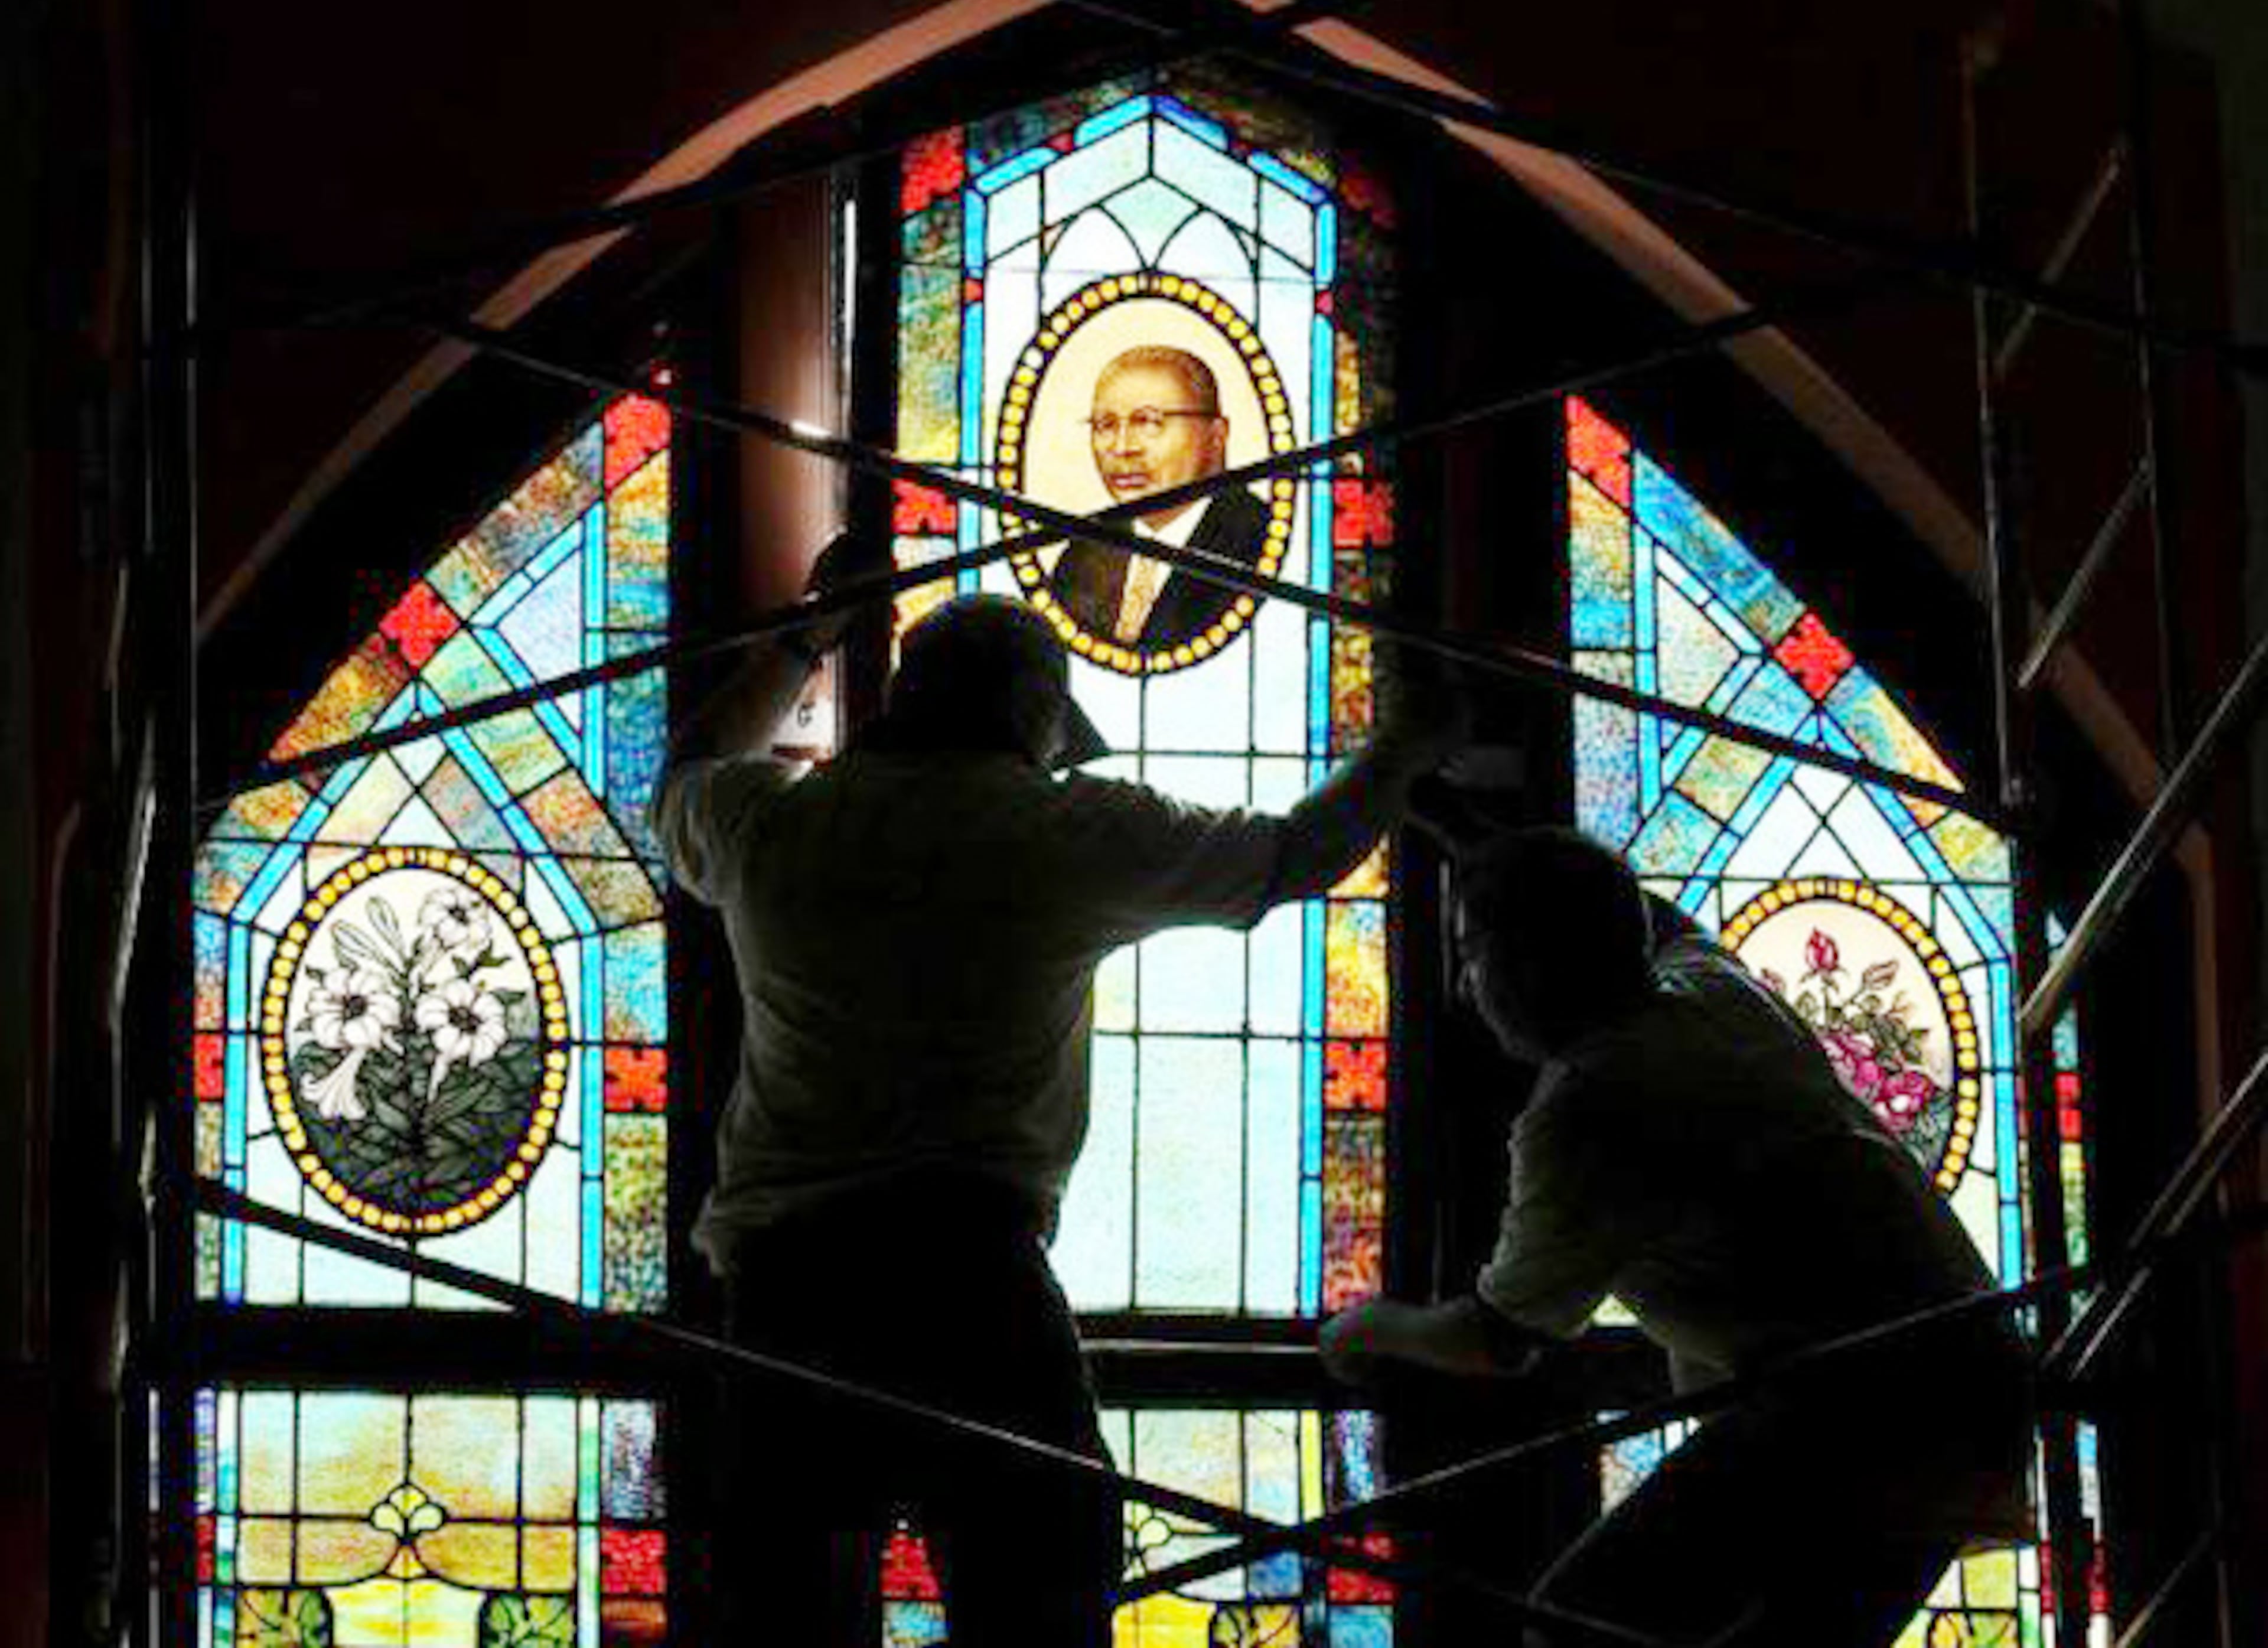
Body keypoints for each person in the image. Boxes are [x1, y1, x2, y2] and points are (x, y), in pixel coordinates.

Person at [654, 558, 1464, 1647]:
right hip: (970, 1279)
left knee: (786, 1609)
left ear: (904, 696)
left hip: (789, 1288)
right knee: (1042, 1590)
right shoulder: (1065, 834)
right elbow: (1299, 855)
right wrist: (1405, 747)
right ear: (1036, 715)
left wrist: (814, 625)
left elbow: (686, 769)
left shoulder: (773, 829)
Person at [1321, 826, 2035, 1648]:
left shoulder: (1587, 1102)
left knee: (1571, 1628)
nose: (1462, 984)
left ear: (1526, 962)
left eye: (1469, 950)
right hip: (1972, 1381)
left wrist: (1365, 1328)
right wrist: (1472, 833)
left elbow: (1500, 1337)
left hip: (1851, 1410)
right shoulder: (1714, 985)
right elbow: (1641, 911)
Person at [1046, 344, 1272, 653]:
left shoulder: (1261, 542)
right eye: (1106, 425)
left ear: (1216, 435)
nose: (1123, 447)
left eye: (1148, 423)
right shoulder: (1084, 556)